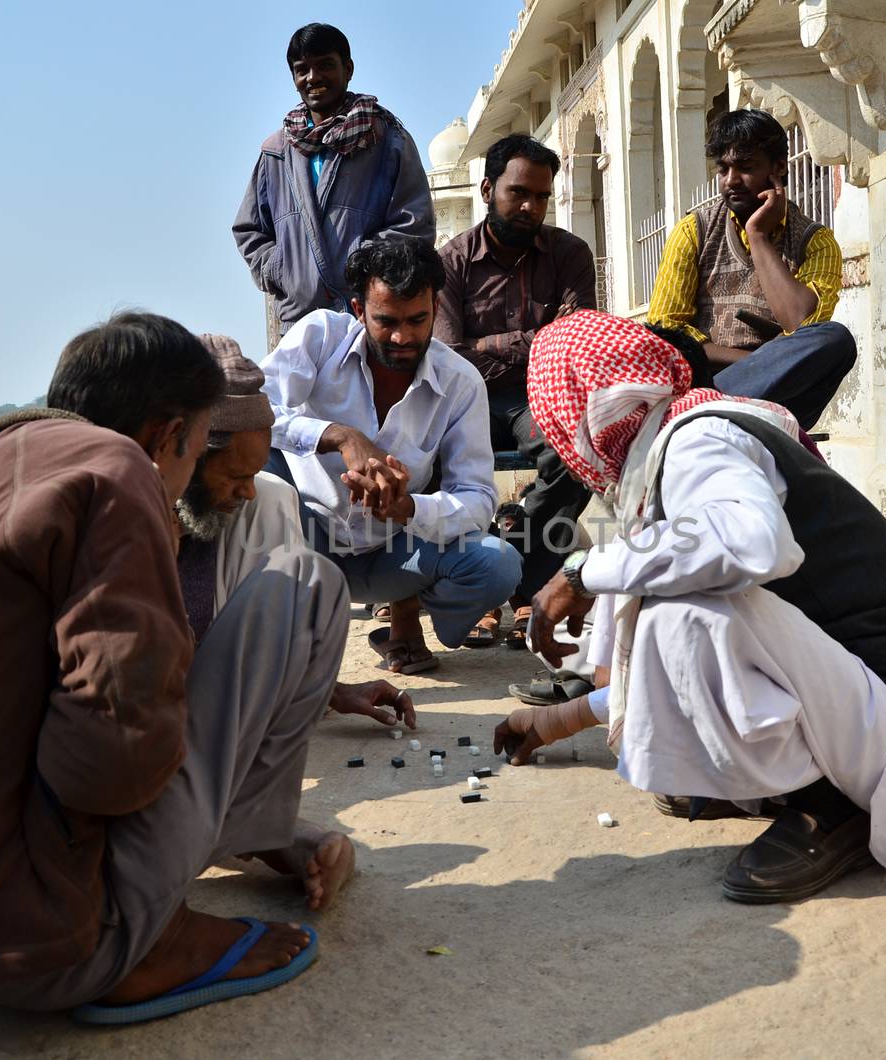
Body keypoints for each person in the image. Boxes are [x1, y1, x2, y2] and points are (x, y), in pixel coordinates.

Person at [0, 312, 352, 1025]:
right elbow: (113, 762)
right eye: (191, 456)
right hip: (52, 952)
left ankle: (249, 842)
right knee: (306, 584)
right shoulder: (117, 470)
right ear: (168, 437)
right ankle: (149, 939)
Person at [495, 311, 886, 904]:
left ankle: (832, 808)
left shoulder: (698, 440)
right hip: (865, 717)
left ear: (578, 401)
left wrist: (580, 572)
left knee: (681, 610)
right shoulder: (672, 450)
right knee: (666, 602)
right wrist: (557, 721)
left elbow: (750, 543)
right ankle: (798, 785)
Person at [262, 236, 522, 675]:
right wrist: (338, 435)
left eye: (418, 320)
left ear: (436, 310)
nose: (403, 336)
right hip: (308, 542)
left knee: (498, 565)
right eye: (386, 321)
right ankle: (294, 642)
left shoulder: (460, 382)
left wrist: (409, 508)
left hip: (394, 553)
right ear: (358, 310)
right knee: (257, 472)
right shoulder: (320, 335)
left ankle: (406, 607)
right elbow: (254, 408)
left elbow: (478, 496)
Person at [175, 334, 418, 730]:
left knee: (273, 496)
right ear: (185, 453)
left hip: (215, 707)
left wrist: (329, 691)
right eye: (236, 476)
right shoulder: (116, 510)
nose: (247, 490)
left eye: (252, 474)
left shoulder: (259, 502)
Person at [436, 132, 596, 651]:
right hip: (467, 402)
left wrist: (492, 343)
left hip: (542, 397)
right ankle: (477, 585)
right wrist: (533, 339)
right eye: (518, 193)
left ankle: (520, 578)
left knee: (578, 452)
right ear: (487, 189)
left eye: (542, 196)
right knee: (434, 461)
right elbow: (449, 354)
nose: (531, 206)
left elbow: (573, 339)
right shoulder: (450, 262)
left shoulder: (570, 254)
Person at [647, 109, 854, 430]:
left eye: (745, 168)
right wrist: (752, 361)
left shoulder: (816, 242)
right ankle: (717, 405)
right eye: (723, 169)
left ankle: (722, 410)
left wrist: (758, 236)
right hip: (704, 383)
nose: (730, 180)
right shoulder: (694, 231)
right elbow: (665, 331)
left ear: (778, 169)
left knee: (837, 340)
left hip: (782, 392)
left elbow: (801, 326)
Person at [233, 22, 434, 334]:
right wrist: (283, 270)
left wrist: (362, 266)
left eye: (325, 65)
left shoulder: (386, 140)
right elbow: (248, 230)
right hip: (298, 324)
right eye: (303, 70)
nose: (313, 78)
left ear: (348, 68)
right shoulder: (276, 152)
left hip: (369, 320)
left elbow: (415, 226)